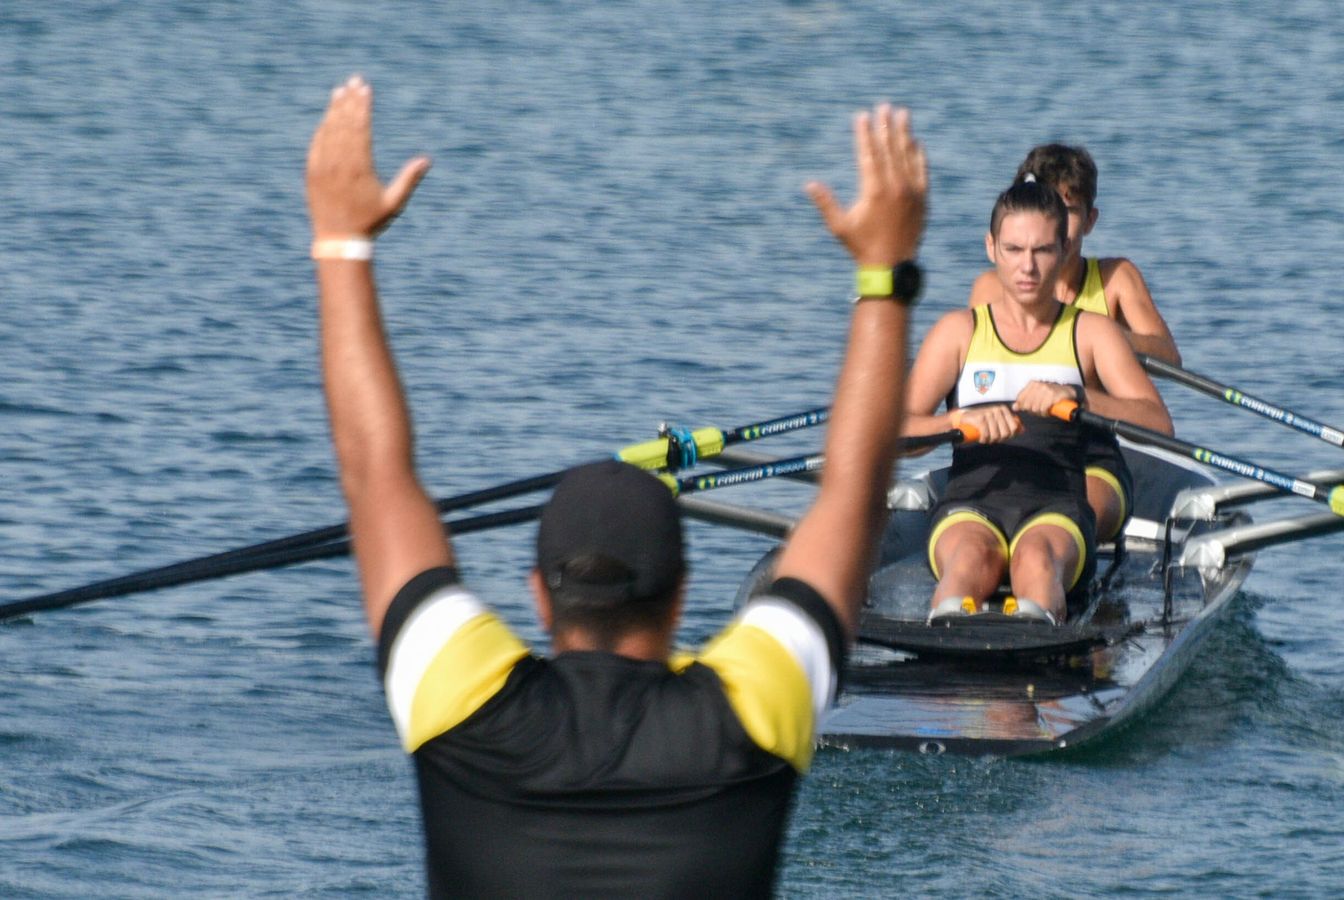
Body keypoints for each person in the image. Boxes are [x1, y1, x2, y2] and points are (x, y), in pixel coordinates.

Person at [306, 76, 926, 897]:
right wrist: (884, 275)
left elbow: (375, 473)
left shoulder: (460, 697)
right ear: (683, 599)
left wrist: (342, 244)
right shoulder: (750, 708)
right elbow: (854, 490)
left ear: (537, 594)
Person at [903, 180, 1171, 625]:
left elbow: (1157, 423)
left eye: (1042, 251)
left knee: (1036, 558)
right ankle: (947, 632)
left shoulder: (1090, 332)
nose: (1027, 266)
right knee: (970, 559)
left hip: (1058, 504)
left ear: (1064, 250)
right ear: (991, 248)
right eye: (1013, 249)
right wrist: (959, 419)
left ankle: (1036, 630)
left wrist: (1080, 397)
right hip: (971, 500)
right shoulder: (957, 332)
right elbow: (898, 432)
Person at [969, 144, 1180, 544]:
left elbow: (1168, 355)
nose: (1057, 224)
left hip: (1088, 446)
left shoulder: (1116, 278)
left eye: (1069, 210)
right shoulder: (989, 288)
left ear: (1090, 220)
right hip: (1013, 446)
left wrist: (1094, 337)